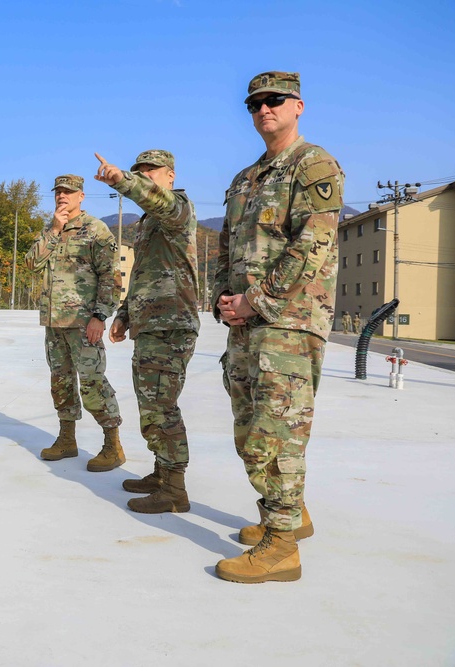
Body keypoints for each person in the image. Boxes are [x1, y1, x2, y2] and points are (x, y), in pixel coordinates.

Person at [212, 72, 344, 583]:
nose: (264, 109)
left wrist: (257, 301)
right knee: (249, 429)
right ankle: (290, 513)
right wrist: (224, 301)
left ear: (298, 106)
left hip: (288, 321)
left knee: (276, 432)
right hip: (245, 321)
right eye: (255, 104)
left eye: (274, 101)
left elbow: (311, 245)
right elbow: (229, 245)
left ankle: (282, 545)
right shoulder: (247, 177)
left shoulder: (313, 164)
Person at [94, 150, 199, 513]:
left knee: (162, 406)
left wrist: (123, 179)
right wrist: (125, 313)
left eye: (151, 171)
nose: (145, 176)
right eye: (139, 171)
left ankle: (175, 489)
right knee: (151, 405)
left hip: (172, 324)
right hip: (150, 325)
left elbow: (158, 200)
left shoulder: (178, 208)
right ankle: (161, 473)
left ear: (170, 176)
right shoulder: (146, 224)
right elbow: (141, 275)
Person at [25, 175, 124, 472]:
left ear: (81, 196)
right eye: (58, 192)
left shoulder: (96, 230)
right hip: (54, 322)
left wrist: (100, 316)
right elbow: (31, 263)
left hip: (84, 323)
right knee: (61, 382)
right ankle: (67, 439)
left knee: (93, 383)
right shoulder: (51, 230)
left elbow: (111, 276)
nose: (62, 196)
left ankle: (112, 444)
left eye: (68, 192)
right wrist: (54, 229)